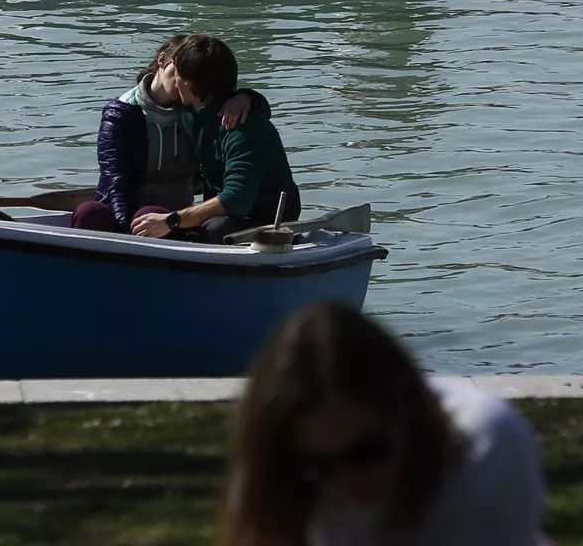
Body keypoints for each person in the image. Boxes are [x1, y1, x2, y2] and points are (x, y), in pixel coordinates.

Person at [218, 303, 548, 546]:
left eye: (366, 452)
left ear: (408, 412)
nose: (347, 480)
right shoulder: (275, 475)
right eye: (316, 465)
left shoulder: (485, 446)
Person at [71, 35, 259, 234]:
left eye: (190, 79)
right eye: (179, 73)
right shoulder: (121, 114)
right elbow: (116, 182)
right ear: (162, 61)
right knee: (88, 212)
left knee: (151, 212)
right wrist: (126, 231)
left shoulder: (194, 108)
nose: (183, 83)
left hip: (175, 216)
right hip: (124, 211)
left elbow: (237, 106)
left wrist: (247, 97)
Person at [128, 34, 301, 243]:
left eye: (177, 74)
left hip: (269, 220)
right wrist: (248, 96)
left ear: (189, 83)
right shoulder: (192, 111)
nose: (173, 81)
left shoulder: (242, 127)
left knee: (214, 228)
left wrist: (171, 220)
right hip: (226, 212)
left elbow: (236, 200)